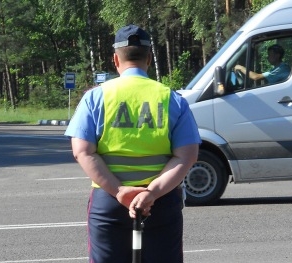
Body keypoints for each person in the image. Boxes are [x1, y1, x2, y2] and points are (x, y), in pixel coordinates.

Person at [64, 24, 201, 263]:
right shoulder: (171, 98)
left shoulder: (96, 97)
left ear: (116, 60)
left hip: (109, 202)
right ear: (149, 58)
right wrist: (151, 193)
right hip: (161, 201)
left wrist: (119, 191)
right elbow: (187, 156)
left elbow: (82, 152)